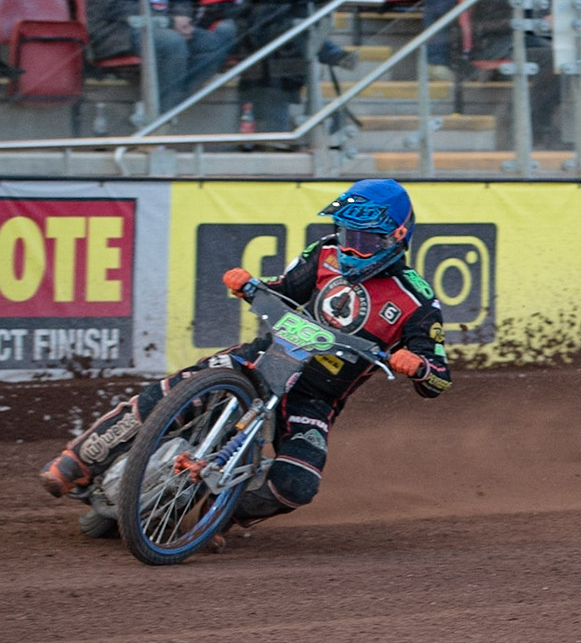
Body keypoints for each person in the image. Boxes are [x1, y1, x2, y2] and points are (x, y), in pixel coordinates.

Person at [40, 180, 452, 531]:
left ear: (397, 236)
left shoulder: (417, 302)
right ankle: (80, 460)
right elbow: (285, 289)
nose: (352, 249)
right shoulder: (324, 253)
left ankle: (215, 518)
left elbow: (438, 378)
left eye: (365, 240)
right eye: (347, 235)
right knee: (179, 391)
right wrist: (251, 285)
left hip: (314, 396)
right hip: (263, 358)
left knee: (297, 484)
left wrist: (417, 366)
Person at [84, 0, 240, 116]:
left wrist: (182, 18)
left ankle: (162, 108)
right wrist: (169, 21)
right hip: (118, 30)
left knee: (213, 45)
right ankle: (160, 121)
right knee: (171, 42)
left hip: (166, 27)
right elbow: (114, 6)